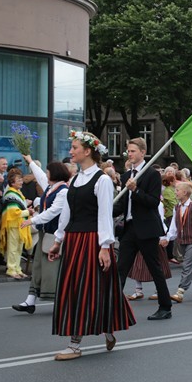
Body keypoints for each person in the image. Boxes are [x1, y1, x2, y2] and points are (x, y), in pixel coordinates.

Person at [49, 131, 134, 360]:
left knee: (87, 288)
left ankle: (75, 344)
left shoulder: (102, 180)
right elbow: (67, 212)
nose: (71, 151)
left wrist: (105, 246)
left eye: (74, 147)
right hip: (74, 240)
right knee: (79, 287)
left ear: (87, 151)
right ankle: (107, 328)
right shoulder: (75, 179)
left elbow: (105, 215)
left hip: (91, 240)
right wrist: (58, 240)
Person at [113, 138, 172, 320]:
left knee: (155, 268)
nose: (129, 154)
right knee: (120, 269)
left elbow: (153, 202)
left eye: (132, 151)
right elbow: (121, 205)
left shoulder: (151, 174)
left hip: (147, 228)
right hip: (129, 229)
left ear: (142, 152)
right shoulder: (126, 176)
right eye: (128, 151)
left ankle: (165, 307)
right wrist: (103, 209)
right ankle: (111, 306)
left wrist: (136, 190)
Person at [12, 158, 70, 314]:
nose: (46, 174)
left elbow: (52, 212)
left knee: (53, 270)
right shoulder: (51, 188)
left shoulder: (63, 191)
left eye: (49, 171)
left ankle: (61, 300)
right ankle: (30, 301)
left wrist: (33, 220)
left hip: (55, 234)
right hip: (46, 233)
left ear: (55, 174)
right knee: (37, 266)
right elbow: (40, 176)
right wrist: (29, 160)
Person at [0, 168, 33, 279]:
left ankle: (17, 268)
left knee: (19, 248)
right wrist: (28, 211)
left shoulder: (17, 192)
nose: (21, 182)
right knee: (13, 248)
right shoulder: (10, 194)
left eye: (21, 179)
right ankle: (11, 269)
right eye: (18, 180)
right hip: (13, 224)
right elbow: (13, 212)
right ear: (12, 182)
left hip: (20, 224)